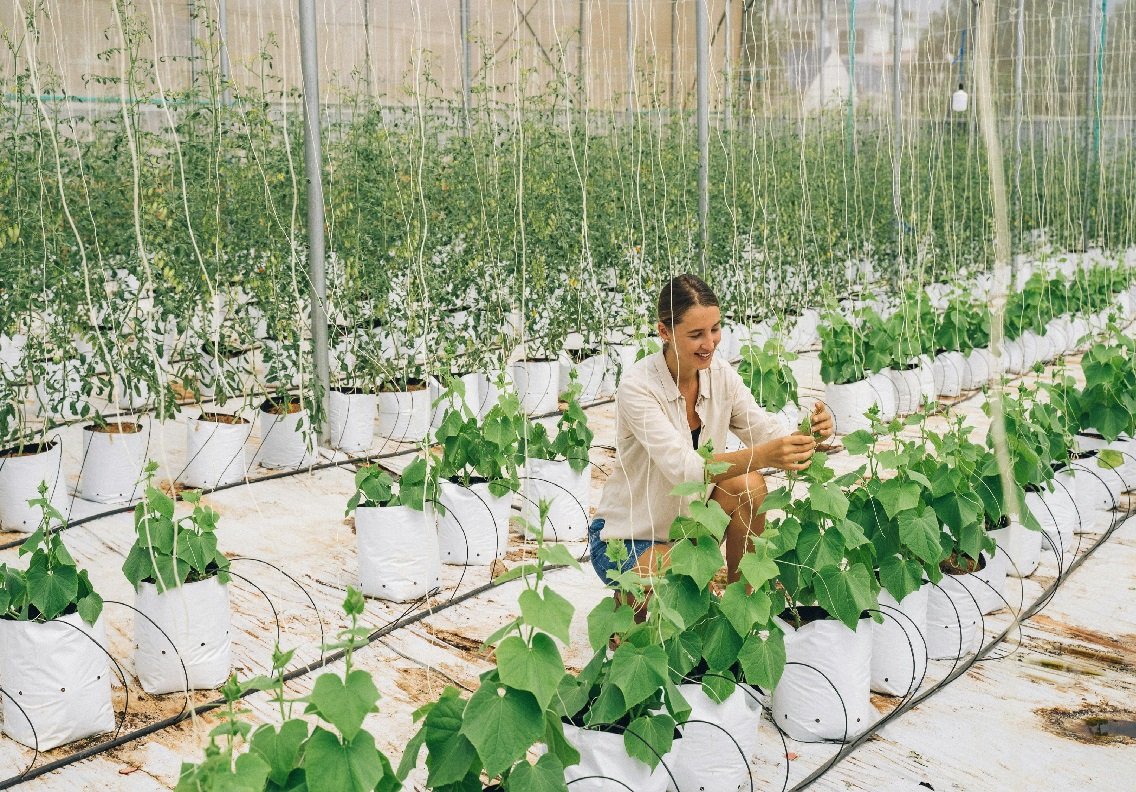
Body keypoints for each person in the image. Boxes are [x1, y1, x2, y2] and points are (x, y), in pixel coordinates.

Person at [588, 273, 833, 616]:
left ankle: (740, 609)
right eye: (696, 334)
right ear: (664, 332)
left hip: (689, 528)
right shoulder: (637, 387)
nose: (710, 343)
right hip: (628, 537)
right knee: (662, 606)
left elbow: (765, 432)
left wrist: (813, 430)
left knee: (748, 485)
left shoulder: (720, 374)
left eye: (715, 329)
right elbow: (683, 469)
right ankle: (628, 604)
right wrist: (763, 456)